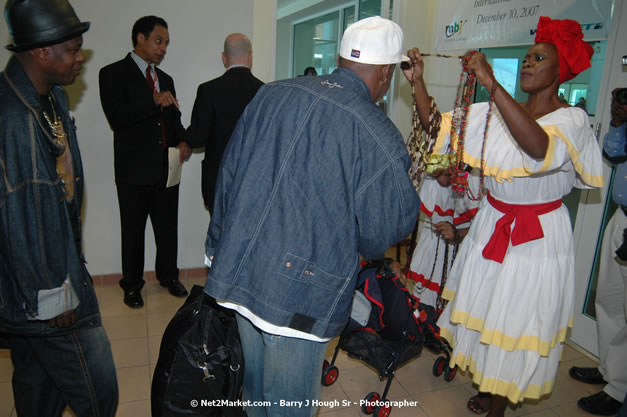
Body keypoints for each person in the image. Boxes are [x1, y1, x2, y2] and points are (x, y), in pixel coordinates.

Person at [203, 16, 419, 417]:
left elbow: (227, 175)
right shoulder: (376, 132)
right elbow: (385, 231)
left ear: (340, 57)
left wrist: (217, 247)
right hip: (300, 290)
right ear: (386, 73)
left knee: (254, 393)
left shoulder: (271, 93)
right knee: (288, 406)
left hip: (242, 269)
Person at [402, 16, 603, 417]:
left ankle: (499, 404)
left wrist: (492, 84)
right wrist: (418, 82)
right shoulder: (496, 113)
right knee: (488, 309)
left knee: (517, 317)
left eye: (539, 58)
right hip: (492, 223)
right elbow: (440, 129)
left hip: (536, 237)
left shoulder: (572, 119)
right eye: (527, 57)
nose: (528, 63)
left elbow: (538, 148)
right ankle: (491, 386)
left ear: (560, 71)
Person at [0, 0, 118, 415]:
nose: (80, 57)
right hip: (49, 292)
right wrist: (53, 297)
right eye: (72, 49)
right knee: (99, 394)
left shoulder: (50, 99)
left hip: (48, 276)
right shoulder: (13, 115)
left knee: (38, 390)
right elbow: (18, 215)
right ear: (41, 52)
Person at [99, 15, 192, 308]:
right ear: (140, 38)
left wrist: (184, 140)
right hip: (132, 171)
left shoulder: (166, 80)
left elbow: (173, 120)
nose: (163, 48)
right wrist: (152, 100)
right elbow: (118, 117)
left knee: (168, 230)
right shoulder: (112, 73)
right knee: (133, 232)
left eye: (166, 43)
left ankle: (169, 277)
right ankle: (132, 286)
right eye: (158, 41)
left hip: (166, 169)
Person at [569, 88, 627, 416]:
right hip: (621, 218)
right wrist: (618, 122)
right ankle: (610, 373)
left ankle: (619, 391)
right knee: (607, 301)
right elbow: (613, 154)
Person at [186, 33, 263, 214]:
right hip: (253, 180)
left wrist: (181, 136)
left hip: (217, 180)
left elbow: (197, 138)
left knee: (218, 236)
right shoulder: (265, 92)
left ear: (224, 57)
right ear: (250, 57)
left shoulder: (208, 90)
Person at [408, 168, 479, 314]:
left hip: (462, 247)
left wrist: (459, 233)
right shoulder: (433, 183)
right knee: (423, 303)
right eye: (437, 173)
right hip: (432, 243)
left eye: (446, 174)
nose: (441, 179)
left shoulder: (475, 179)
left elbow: (485, 228)